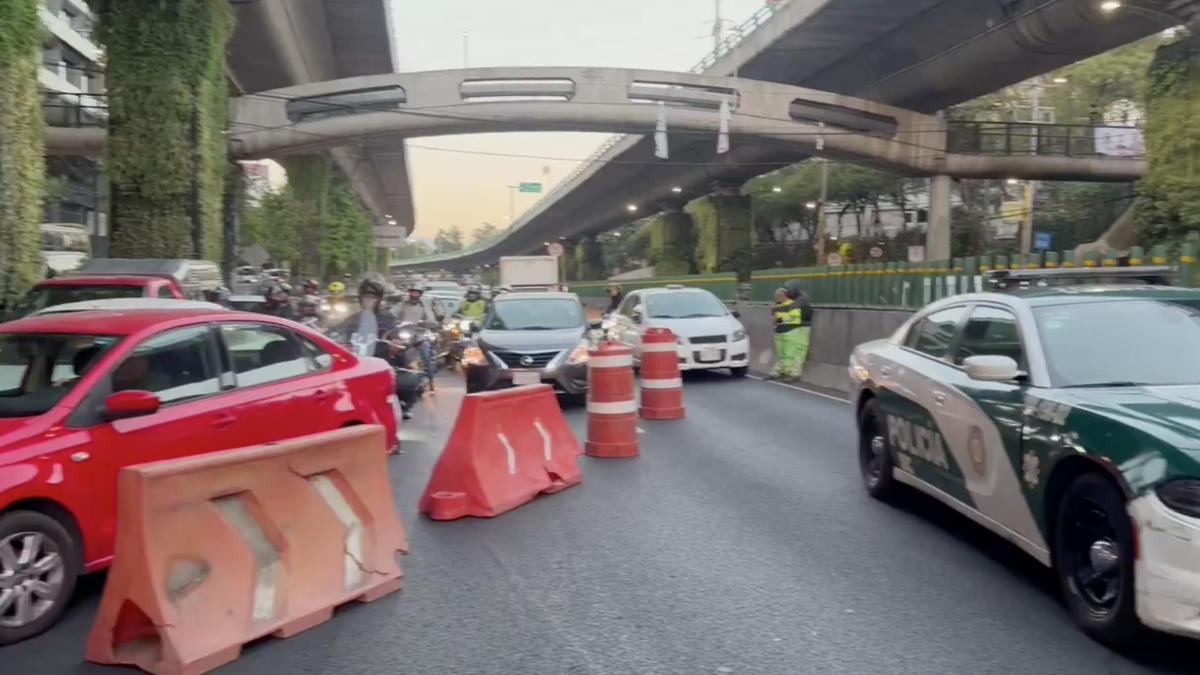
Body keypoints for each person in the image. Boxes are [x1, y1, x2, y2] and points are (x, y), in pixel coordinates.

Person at [393, 286, 438, 390]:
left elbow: (432, 320)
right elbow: (392, 313)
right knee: (390, 350)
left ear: (420, 295)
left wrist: (424, 322)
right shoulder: (402, 305)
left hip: (419, 335)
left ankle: (431, 382)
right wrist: (392, 319)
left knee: (426, 356)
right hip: (404, 334)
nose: (414, 295)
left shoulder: (424, 306)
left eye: (416, 293)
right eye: (412, 293)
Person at [770, 287, 808, 381]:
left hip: (790, 331)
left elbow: (794, 316)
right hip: (779, 331)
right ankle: (781, 372)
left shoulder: (792, 304)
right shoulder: (777, 306)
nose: (777, 297)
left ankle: (791, 374)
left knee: (790, 354)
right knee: (781, 354)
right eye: (776, 296)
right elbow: (773, 318)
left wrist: (779, 319)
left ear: (785, 295)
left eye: (779, 296)